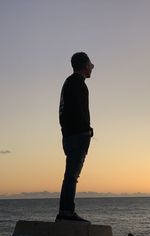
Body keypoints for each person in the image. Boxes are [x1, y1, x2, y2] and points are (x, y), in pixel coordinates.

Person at [56, 52, 94, 222]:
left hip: (70, 135)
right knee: (72, 175)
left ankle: (66, 211)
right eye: (90, 64)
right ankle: (66, 212)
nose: (92, 67)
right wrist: (87, 130)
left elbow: (63, 113)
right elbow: (78, 111)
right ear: (84, 65)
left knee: (71, 175)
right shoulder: (78, 84)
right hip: (77, 135)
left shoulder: (68, 83)